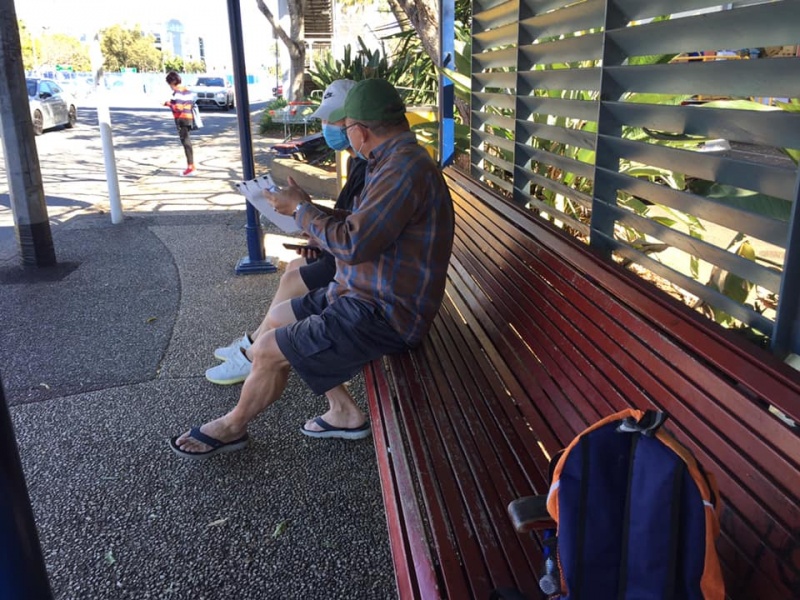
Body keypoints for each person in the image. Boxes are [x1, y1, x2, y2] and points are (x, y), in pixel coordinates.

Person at [169, 78, 454, 459]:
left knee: (269, 347)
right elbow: (362, 225)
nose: (345, 134)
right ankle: (343, 411)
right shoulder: (393, 161)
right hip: (362, 294)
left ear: (360, 131)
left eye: (346, 127)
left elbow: (353, 244)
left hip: (385, 314)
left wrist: (302, 211)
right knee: (279, 317)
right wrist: (311, 211)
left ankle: (232, 426)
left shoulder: (403, 169)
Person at [205, 79, 367, 385]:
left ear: (355, 122)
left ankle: (252, 354)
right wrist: (313, 224)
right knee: (293, 267)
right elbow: (350, 220)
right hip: (347, 252)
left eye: (334, 120)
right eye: (324, 119)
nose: (327, 126)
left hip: (356, 263)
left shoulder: (371, 166)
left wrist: (307, 215)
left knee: (293, 279)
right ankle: (253, 343)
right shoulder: (357, 160)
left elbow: (357, 231)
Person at [163, 71, 196, 177]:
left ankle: (190, 167)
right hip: (188, 117)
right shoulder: (187, 91)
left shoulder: (178, 92)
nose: (170, 87)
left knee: (186, 142)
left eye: (169, 84)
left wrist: (168, 104)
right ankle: (191, 166)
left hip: (182, 118)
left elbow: (178, 108)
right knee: (187, 141)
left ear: (172, 82)